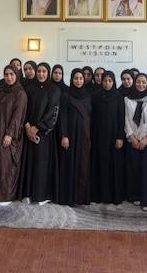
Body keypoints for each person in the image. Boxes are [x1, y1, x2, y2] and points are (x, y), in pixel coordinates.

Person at [18, 63, 60, 205]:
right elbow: (24, 109)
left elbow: (52, 111)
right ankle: (28, 193)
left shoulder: (54, 89)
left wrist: (37, 129)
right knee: (29, 162)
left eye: (44, 71)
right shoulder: (30, 88)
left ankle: (41, 195)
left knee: (41, 164)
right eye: (39, 71)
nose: (41, 74)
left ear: (48, 73)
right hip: (28, 130)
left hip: (44, 133)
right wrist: (28, 127)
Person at [0, 66, 27, 206]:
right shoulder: (2, 91)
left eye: (12, 74)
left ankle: (6, 196)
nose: (9, 77)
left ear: (17, 75)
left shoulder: (20, 93)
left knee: (6, 165)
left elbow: (18, 116)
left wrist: (9, 134)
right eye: (6, 74)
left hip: (9, 135)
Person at [124, 73, 147, 211]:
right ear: (135, 83)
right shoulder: (127, 98)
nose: (141, 84)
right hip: (134, 139)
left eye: (144, 82)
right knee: (135, 169)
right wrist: (132, 137)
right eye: (138, 82)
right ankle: (136, 196)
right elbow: (126, 119)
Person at [57, 69, 92, 206]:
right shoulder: (66, 95)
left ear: (84, 80)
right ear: (72, 79)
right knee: (70, 165)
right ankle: (70, 197)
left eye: (81, 78)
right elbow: (63, 116)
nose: (78, 81)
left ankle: (80, 197)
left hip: (84, 136)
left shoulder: (88, 96)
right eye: (76, 78)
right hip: (70, 136)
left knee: (83, 164)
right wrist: (64, 135)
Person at [90, 71, 125, 205]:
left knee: (113, 165)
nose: (107, 83)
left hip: (114, 136)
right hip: (98, 136)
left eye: (110, 81)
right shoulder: (95, 96)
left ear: (114, 82)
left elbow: (121, 118)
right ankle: (99, 195)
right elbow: (92, 117)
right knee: (100, 164)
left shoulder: (118, 96)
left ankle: (113, 196)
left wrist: (120, 137)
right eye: (105, 80)